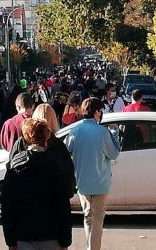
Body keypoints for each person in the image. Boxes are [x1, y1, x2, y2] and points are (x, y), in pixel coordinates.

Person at [2, 118, 72, 250]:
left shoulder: (16, 165)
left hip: (23, 235)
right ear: (46, 136)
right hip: (52, 234)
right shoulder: (55, 165)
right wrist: (65, 240)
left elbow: (8, 205)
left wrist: (10, 240)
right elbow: (63, 204)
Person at [65, 97, 120, 250]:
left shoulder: (74, 131)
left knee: (88, 217)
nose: (101, 114)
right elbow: (114, 154)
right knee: (97, 221)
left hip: (82, 182)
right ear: (96, 112)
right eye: (100, 111)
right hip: (100, 183)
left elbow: (67, 152)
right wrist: (115, 135)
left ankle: (90, 246)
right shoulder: (102, 132)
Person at [10, 103, 76, 198]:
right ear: (53, 120)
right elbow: (68, 174)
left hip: (25, 201)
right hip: (51, 203)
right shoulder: (58, 145)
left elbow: (11, 169)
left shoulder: (21, 142)